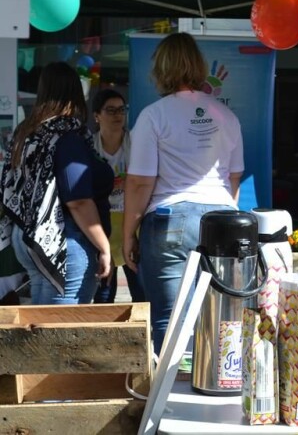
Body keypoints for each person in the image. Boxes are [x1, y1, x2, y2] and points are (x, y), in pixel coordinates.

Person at [123, 33, 244, 354]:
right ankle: (216, 390)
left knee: (170, 320)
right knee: (221, 318)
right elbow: (235, 177)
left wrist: (128, 234)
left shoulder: (153, 116)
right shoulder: (226, 116)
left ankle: (172, 399)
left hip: (170, 220)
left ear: (160, 71)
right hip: (222, 220)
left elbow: (139, 182)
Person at [0, 62, 113, 304]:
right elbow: (78, 200)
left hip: (28, 236)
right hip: (62, 239)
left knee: (41, 319)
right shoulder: (66, 136)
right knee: (61, 326)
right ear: (75, 93)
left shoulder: (27, 134)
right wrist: (104, 246)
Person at [91, 89, 146, 304]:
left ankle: (145, 334)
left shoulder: (137, 143)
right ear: (97, 115)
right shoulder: (88, 145)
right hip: (101, 224)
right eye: (110, 110)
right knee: (104, 293)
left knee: (141, 291)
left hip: (132, 222)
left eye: (121, 110)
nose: (117, 115)